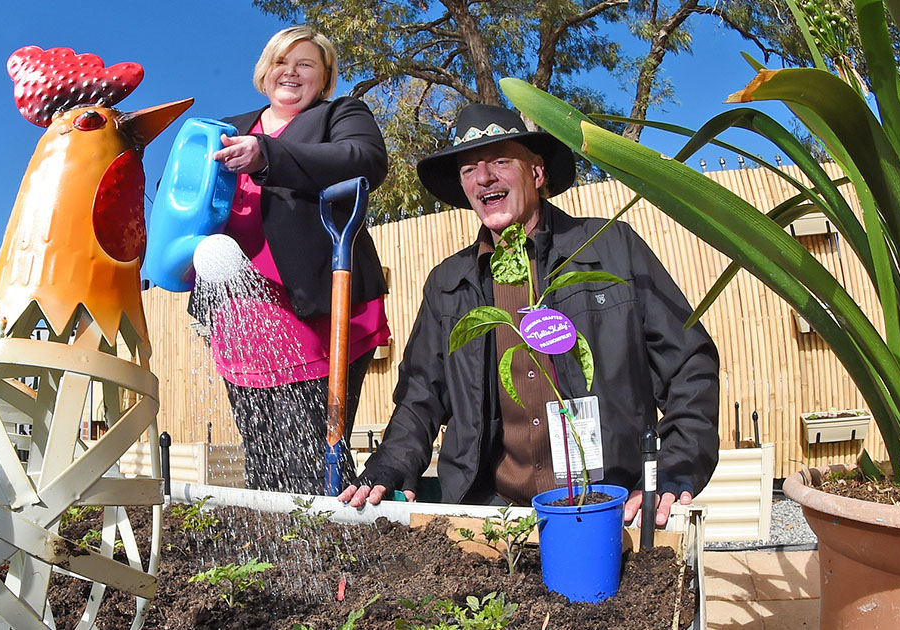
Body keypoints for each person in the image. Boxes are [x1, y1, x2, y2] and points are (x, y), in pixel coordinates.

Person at [339, 104, 719, 527]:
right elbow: (420, 395)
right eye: (469, 169)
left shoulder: (609, 249)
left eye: (500, 161)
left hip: (606, 508)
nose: (483, 177)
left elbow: (689, 363)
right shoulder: (449, 284)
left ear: (536, 173)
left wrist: (672, 469)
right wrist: (390, 465)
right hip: (494, 514)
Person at [196, 25, 390, 494]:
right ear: (264, 72)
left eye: (306, 64)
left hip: (319, 310)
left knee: (311, 454)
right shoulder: (224, 130)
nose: (291, 72)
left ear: (323, 79)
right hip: (241, 315)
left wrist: (268, 155)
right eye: (282, 62)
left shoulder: (338, 115)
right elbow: (183, 191)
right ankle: (272, 563)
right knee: (263, 456)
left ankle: (337, 558)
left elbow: (363, 159)